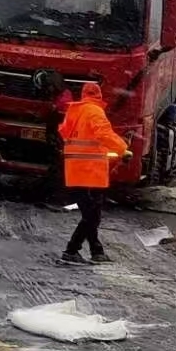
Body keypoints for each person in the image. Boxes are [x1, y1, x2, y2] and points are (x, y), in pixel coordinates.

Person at [58, 83, 128, 263]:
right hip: (90, 171)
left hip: (75, 169)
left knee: (91, 213)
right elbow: (103, 133)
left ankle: (94, 251)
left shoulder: (75, 111)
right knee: (92, 215)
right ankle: (73, 250)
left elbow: (65, 133)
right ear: (98, 95)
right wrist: (122, 148)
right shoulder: (95, 111)